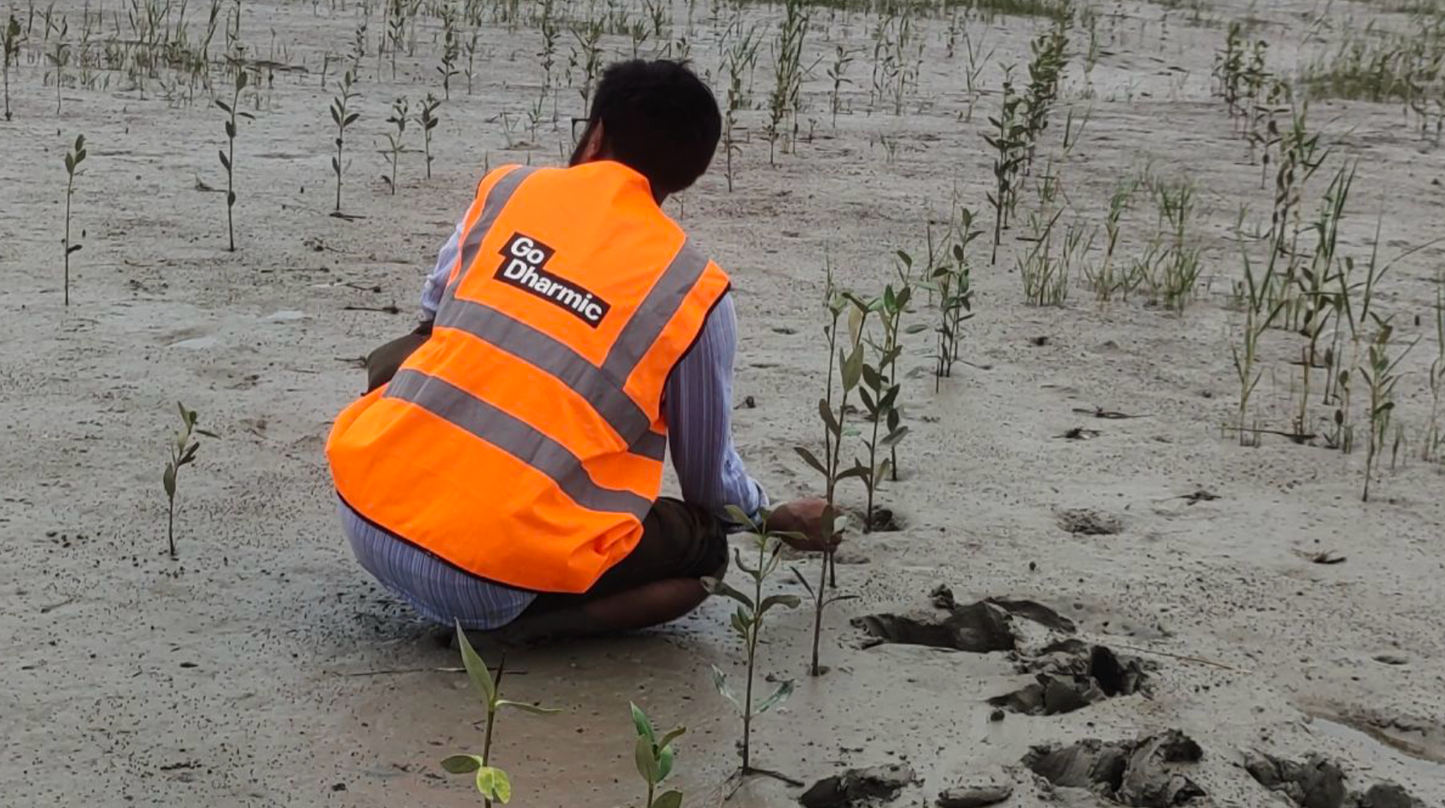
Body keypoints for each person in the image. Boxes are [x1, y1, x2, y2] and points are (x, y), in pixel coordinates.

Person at [326, 60, 830, 642]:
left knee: (412, 349)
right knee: (705, 550)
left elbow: (430, 319)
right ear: (691, 173)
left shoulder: (508, 190)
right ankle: (508, 634)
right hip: (487, 578)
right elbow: (710, 491)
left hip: (363, 517)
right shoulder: (694, 289)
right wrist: (770, 519)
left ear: (595, 134)